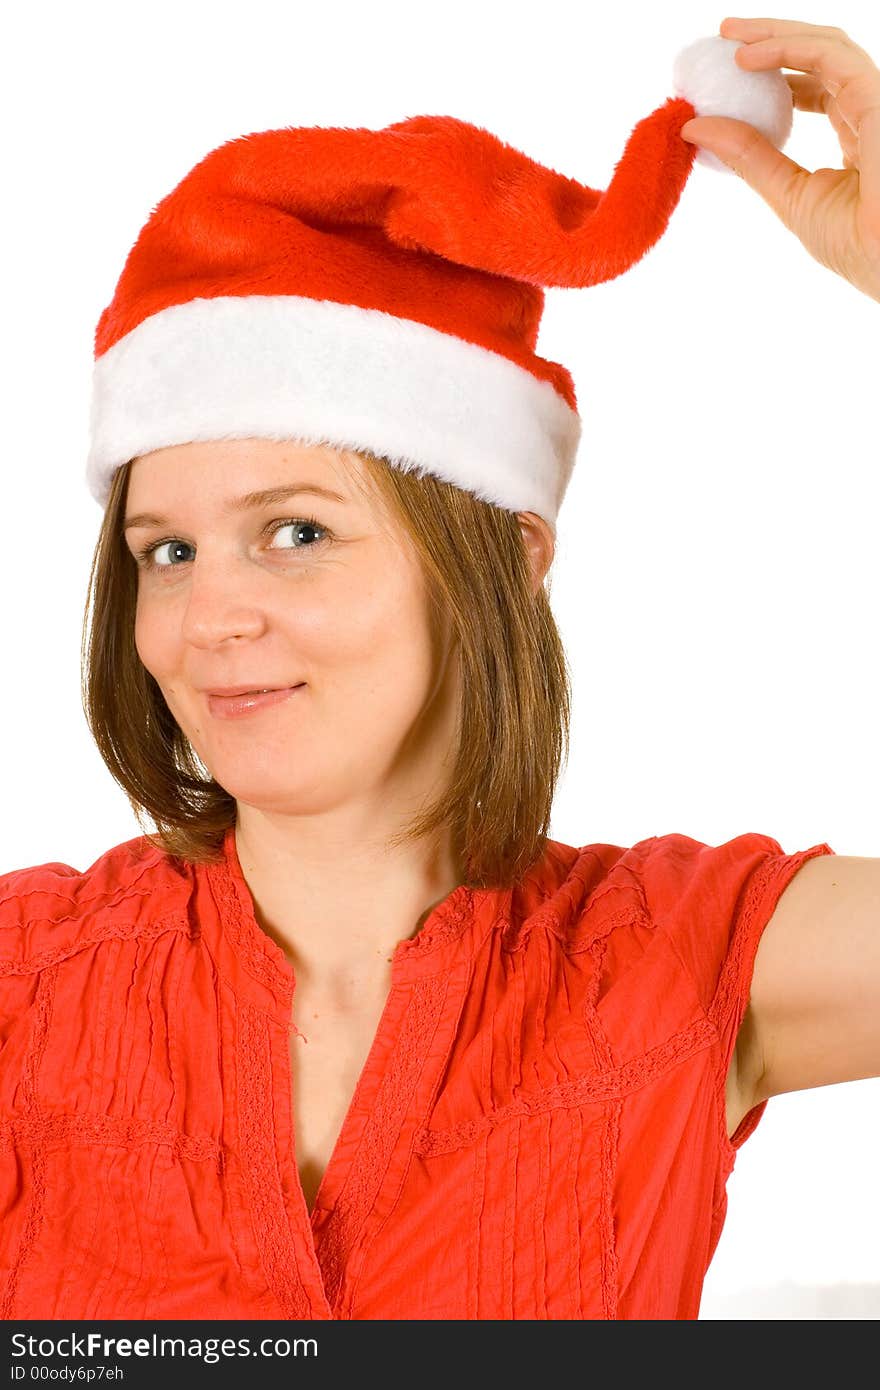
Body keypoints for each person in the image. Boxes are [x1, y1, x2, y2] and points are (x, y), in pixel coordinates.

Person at [0, 16, 877, 1322]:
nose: (210, 615)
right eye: (166, 548)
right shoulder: (27, 982)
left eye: (296, 532)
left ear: (504, 556)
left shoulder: (675, 964)